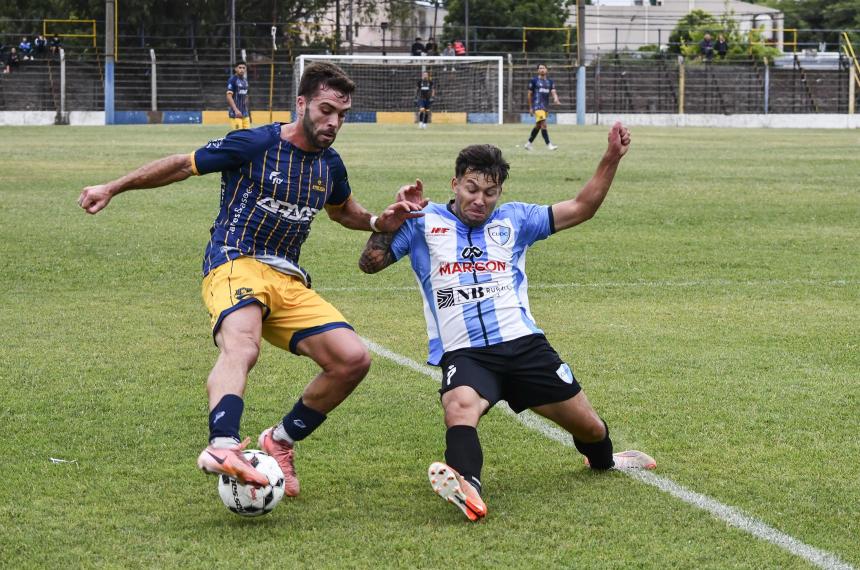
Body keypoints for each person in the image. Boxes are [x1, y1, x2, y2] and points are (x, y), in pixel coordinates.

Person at [78, 62, 424, 496]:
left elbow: (341, 211)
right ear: (301, 104)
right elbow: (183, 166)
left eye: (342, 114)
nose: (333, 122)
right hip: (234, 260)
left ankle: (278, 442)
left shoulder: (329, 166)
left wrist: (378, 219)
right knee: (242, 344)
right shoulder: (257, 142)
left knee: (352, 359)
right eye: (325, 109)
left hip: (288, 278)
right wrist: (113, 186)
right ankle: (223, 445)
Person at [358, 123, 656, 522]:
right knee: (459, 405)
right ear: (455, 183)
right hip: (465, 353)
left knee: (589, 428)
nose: (479, 200)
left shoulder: (517, 220)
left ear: (500, 193)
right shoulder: (421, 222)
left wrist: (611, 158)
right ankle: (468, 487)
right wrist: (387, 225)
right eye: (471, 188)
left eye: (490, 192)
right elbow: (369, 265)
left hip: (524, 347)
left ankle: (605, 461)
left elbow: (582, 207)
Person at [525, 63, 560, 151]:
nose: (542, 70)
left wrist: (556, 98)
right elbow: (529, 94)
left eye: (543, 68)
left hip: (545, 107)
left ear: (546, 70)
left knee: (538, 126)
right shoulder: (534, 81)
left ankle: (528, 144)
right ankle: (549, 145)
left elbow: (553, 91)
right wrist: (530, 107)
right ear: (538, 70)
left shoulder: (550, 82)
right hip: (537, 106)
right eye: (540, 68)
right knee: (543, 125)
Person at [226, 61, 251, 130]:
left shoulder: (245, 81)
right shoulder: (233, 80)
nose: (242, 69)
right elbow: (229, 96)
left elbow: (246, 95)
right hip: (235, 114)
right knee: (238, 136)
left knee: (248, 136)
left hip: (245, 114)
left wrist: (246, 108)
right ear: (235, 69)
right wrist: (236, 110)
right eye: (240, 68)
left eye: (243, 68)